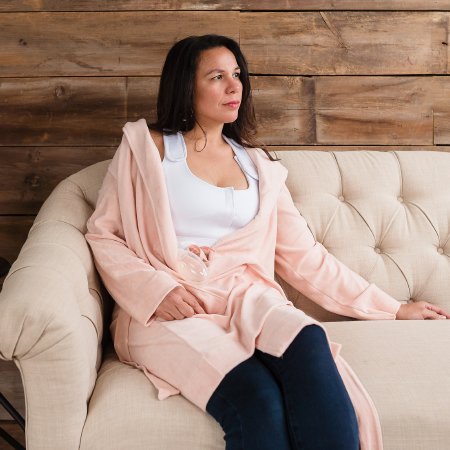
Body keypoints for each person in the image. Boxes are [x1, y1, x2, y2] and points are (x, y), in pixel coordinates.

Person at [85, 34, 450, 450]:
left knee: (308, 342)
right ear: (186, 86)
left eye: (237, 75)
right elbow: (104, 234)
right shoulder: (146, 149)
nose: (234, 86)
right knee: (259, 400)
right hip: (172, 308)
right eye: (217, 77)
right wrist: (156, 290)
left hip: (247, 298)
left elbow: (306, 258)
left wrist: (394, 308)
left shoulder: (258, 165)